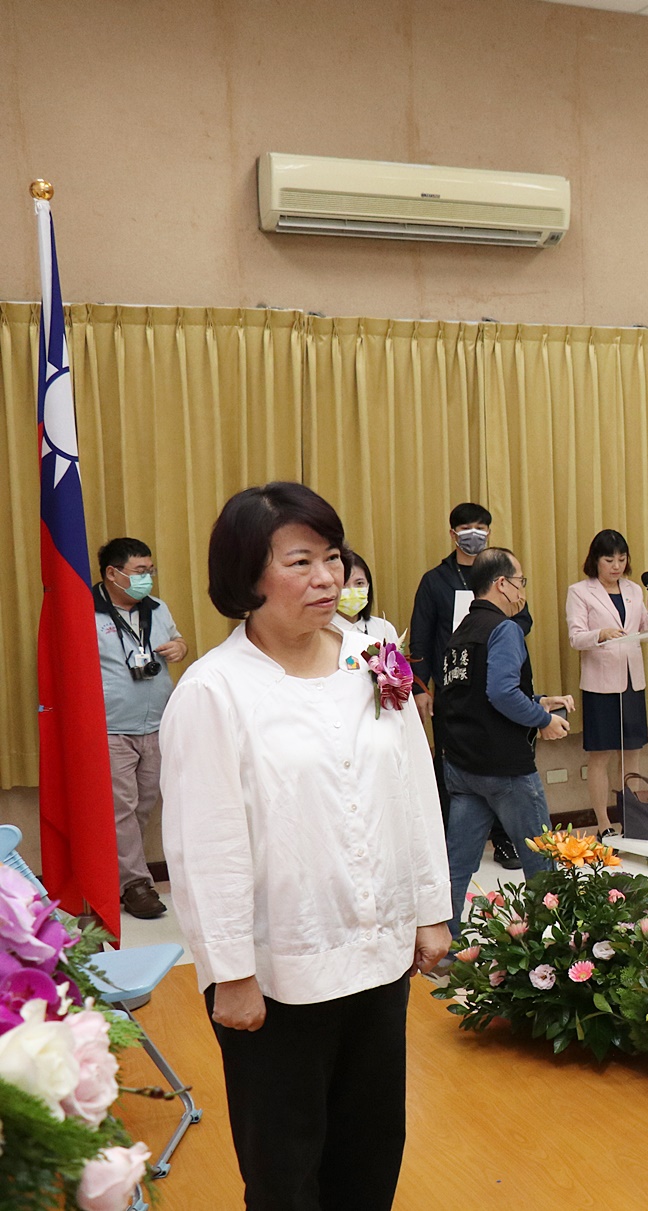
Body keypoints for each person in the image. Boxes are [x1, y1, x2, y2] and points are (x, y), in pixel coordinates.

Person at [160, 482, 448, 1211]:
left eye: (332, 557)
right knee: (286, 1168)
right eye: (300, 561)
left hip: (378, 958)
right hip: (278, 975)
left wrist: (430, 909)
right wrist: (230, 971)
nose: (328, 578)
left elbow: (414, 787)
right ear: (246, 579)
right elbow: (207, 844)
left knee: (373, 1145)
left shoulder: (373, 656)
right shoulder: (215, 691)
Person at [438, 547, 570, 926]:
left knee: (457, 867)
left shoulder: (459, 634)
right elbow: (501, 693)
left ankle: (445, 949)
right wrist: (542, 718)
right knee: (541, 862)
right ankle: (552, 948)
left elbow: (475, 695)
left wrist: (540, 699)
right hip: (505, 769)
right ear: (501, 584)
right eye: (520, 583)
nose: (521, 592)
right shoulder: (504, 629)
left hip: (462, 767)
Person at [408, 502, 530, 869]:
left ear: (490, 532)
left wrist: (490, 630)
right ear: (453, 534)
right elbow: (421, 638)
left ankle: (505, 840)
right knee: (456, 768)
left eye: (481, 527)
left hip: (498, 682)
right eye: (466, 528)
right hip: (454, 689)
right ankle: (452, 843)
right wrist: (419, 688)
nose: (473, 534)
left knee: (506, 763)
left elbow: (523, 620)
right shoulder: (435, 580)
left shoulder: (503, 576)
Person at [94, 537, 188, 920]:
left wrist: (180, 647)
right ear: (113, 574)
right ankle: (136, 885)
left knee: (143, 805)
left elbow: (177, 640)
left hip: (157, 724)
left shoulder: (158, 608)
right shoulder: (86, 611)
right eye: (139, 572)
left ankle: (119, 877)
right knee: (121, 808)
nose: (147, 578)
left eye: (150, 571)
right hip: (112, 727)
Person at [565, 529, 648, 831]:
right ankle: (604, 822)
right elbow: (575, 637)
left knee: (632, 753)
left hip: (633, 681)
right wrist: (601, 634)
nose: (616, 565)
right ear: (596, 560)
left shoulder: (634, 590)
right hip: (601, 685)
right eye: (609, 559)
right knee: (601, 755)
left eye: (622, 559)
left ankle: (631, 817)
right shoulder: (580, 591)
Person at [336, 548, 401, 647]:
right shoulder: (320, 632)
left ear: (368, 587)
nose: (352, 589)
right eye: (343, 584)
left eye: (359, 583)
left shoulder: (384, 628)